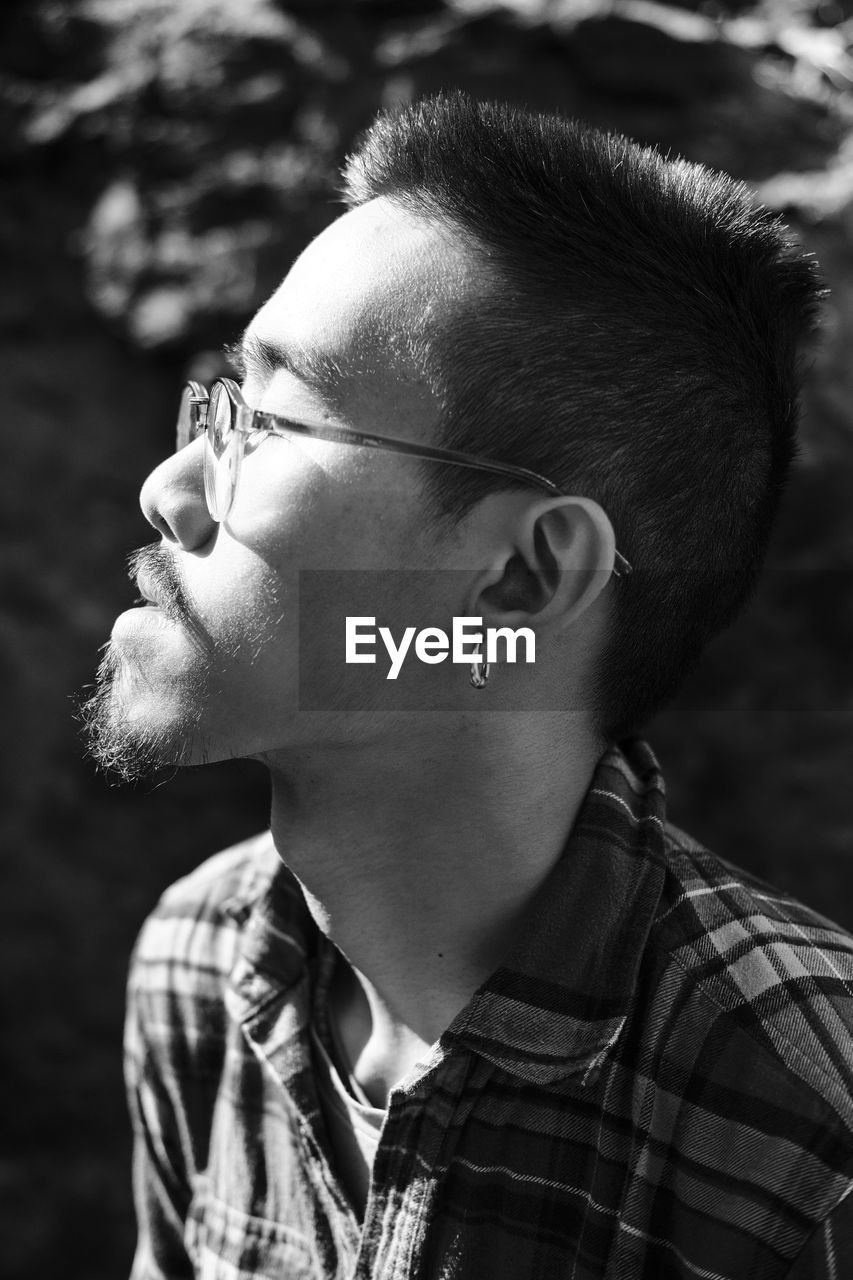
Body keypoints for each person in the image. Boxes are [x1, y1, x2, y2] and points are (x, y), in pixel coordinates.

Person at [82, 92, 853, 1279]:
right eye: (220, 398)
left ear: (524, 572)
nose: (168, 487)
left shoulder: (802, 1118)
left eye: (272, 422)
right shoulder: (198, 966)